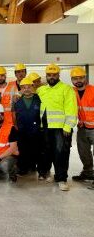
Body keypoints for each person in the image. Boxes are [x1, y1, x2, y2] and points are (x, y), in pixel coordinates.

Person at [36, 63, 77, 191]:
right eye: (49, 75)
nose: (51, 77)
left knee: (61, 153)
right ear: (46, 76)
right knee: (49, 152)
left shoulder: (66, 89)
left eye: (54, 75)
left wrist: (68, 126)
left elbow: (71, 109)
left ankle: (62, 179)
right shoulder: (41, 90)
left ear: (58, 75)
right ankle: (52, 174)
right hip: (45, 128)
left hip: (61, 128)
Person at [14, 77, 46, 177]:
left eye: (29, 87)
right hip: (22, 130)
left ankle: (41, 171)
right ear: (21, 89)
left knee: (38, 150)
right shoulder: (17, 101)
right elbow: (14, 115)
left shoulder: (39, 99)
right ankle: (23, 169)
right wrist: (16, 126)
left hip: (36, 130)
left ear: (33, 87)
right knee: (23, 150)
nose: (26, 89)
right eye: (24, 87)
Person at [70, 67, 94, 182]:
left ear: (85, 78)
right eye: (75, 78)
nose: (78, 80)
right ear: (71, 80)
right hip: (82, 128)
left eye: (80, 78)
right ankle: (88, 172)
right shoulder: (71, 91)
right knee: (83, 152)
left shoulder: (93, 90)